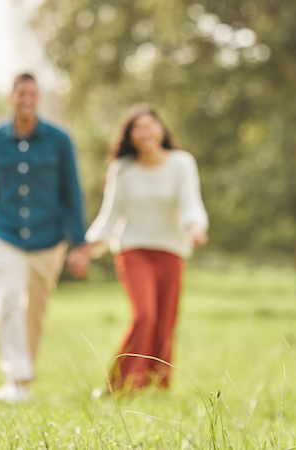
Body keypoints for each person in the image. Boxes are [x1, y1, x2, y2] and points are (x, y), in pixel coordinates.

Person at [0, 72, 89, 404]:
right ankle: (15, 378)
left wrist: (80, 243)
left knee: (34, 310)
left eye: (32, 94)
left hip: (48, 239)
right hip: (2, 235)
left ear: (39, 98)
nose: (26, 99)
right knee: (7, 302)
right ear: (11, 97)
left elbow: (72, 193)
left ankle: (23, 377)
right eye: (21, 93)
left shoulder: (59, 140)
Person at [85, 105, 208, 392]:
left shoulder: (181, 163)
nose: (145, 132)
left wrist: (195, 226)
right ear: (131, 137)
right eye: (138, 128)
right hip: (133, 250)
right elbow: (110, 213)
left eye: (150, 125)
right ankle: (119, 385)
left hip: (171, 250)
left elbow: (190, 202)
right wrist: (90, 243)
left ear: (161, 130)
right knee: (145, 315)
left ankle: (156, 384)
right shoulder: (122, 169)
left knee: (165, 322)